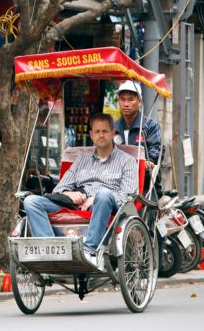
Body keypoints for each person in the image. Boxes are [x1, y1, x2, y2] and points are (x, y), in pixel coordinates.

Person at [23, 113, 138, 269]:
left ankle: (89, 251)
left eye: (105, 131)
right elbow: (60, 188)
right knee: (31, 201)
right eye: (97, 132)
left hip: (107, 206)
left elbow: (127, 195)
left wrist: (96, 197)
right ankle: (50, 250)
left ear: (113, 133)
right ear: (91, 135)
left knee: (103, 195)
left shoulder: (127, 161)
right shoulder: (81, 160)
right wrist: (70, 194)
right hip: (75, 205)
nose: (101, 135)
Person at [114, 80, 162, 195]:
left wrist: (148, 162)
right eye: (122, 99)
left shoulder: (149, 125)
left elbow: (155, 149)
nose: (126, 104)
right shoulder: (113, 127)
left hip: (145, 184)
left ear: (139, 102)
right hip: (118, 182)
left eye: (130, 99)